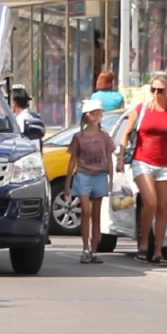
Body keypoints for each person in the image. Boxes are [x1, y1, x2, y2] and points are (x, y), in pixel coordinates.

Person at [118, 74, 167, 266]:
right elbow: (126, 133)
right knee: (150, 202)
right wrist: (121, 158)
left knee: (163, 208)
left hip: (164, 163)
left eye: (160, 90)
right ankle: (143, 244)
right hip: (142, 160)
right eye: (153, 90)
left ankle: (158, 250)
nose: (156, 94)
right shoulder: (141, 109)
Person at [64, 100, 115, 264]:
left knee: (96, 214)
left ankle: (93, 250)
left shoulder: (104, 136)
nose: (96, 116)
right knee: (85, 211)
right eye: (93, 113)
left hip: (99, 175)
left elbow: (109, 159)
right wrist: (68, 183)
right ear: (86, 116)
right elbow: (73, 160)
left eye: (98, 113)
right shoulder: (78, 137)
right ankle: (85, 247)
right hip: (83, 175)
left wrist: (111, 179)